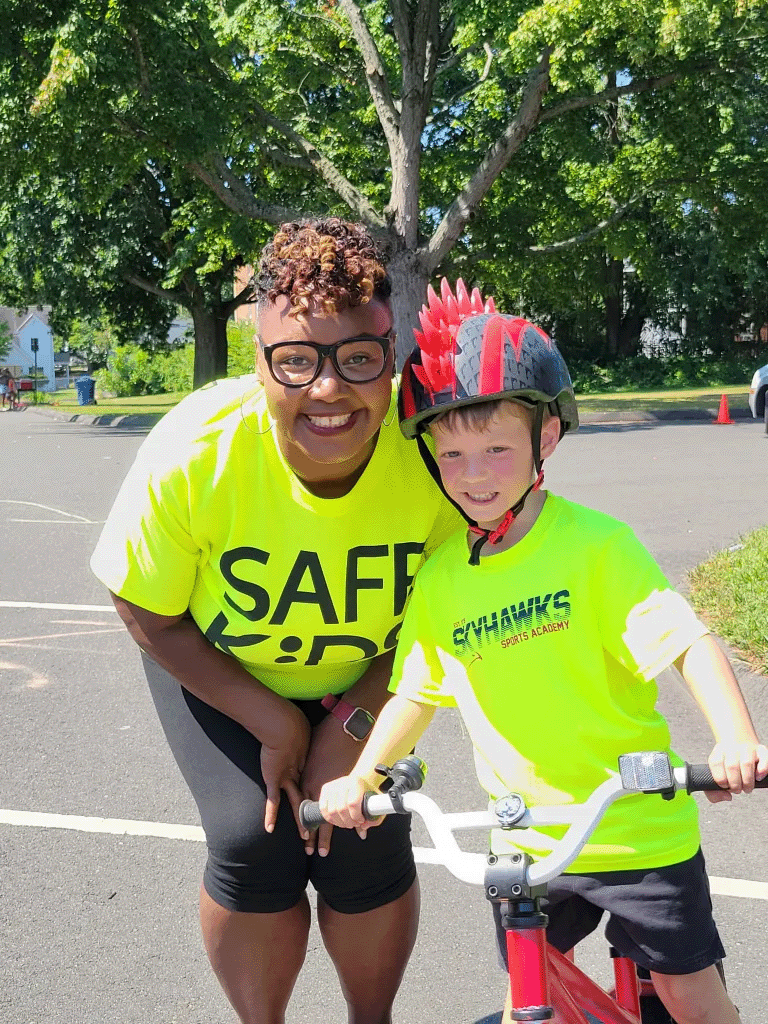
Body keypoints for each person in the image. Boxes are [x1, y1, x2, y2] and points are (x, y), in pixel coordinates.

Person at [318, 278, 768, 1024]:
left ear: (545, 440)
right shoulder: (440, 579)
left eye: (497, 449)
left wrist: (734, 738)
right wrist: (360, 777)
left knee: (691, 996)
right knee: (530, 995)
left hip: (632, 829)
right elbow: (415, 694)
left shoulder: (596, 547)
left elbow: (686, 643)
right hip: (524, 842)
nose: (474, 474)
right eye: (453, 454)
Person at [90, 219, 461, 1024]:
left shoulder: (435, 449)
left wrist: (353, 724)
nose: (327, 389)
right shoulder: (196, 447)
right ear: (258, 363)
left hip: (374, 670)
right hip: (221, 666)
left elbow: (441, 622)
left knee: (363, 829)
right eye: (295, 360)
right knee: (253, 839)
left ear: (392, 356)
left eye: (357, 358)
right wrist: (272, 721)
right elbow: (144, 604)